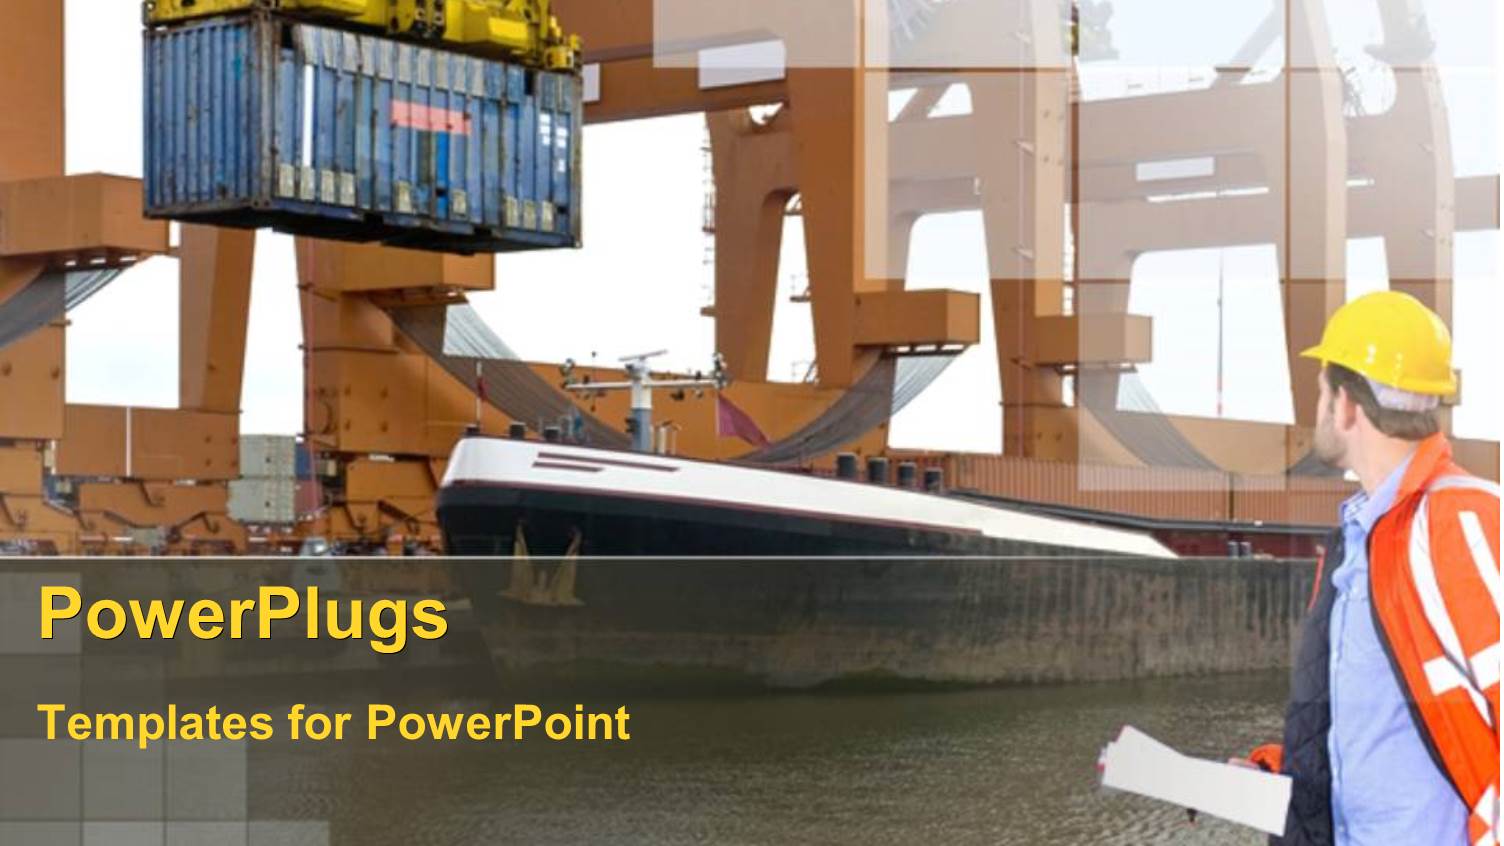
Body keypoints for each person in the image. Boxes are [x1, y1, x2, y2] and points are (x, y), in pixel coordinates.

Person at [1241, 291, 1499, 845]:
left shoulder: (1462, 520)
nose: (1318, 411)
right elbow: (1380, 733)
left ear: (1347, 405)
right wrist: (1275, 774)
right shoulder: (1358, 544)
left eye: (1320, 392)